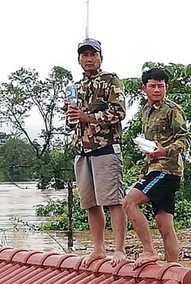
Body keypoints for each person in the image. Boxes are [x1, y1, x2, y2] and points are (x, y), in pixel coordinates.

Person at [65, 38, 127, 266]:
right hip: (82, 150)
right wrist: (70, 114)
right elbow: (71, 124)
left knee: (113, 201)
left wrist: (87, 116)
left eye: (93, 54)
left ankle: (119, 250)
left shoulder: (111, 81)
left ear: (101, 57)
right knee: (90, 203)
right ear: (79, 59)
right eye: (84, 55)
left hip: (106, 148)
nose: (88, 58)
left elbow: (119, 113)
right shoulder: (75, 87)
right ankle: (98, 248)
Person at [123, 67, 191, 269]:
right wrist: (145, 167)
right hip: (154, 169)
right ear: (144, 88)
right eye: (152, 86)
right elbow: (150, 145)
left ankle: (149, 251)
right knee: (165, 225)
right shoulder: (145, 112)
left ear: (166, 87)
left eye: (160, 86)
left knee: (129, 203)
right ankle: (174, 269)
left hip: (166, 170)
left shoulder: (172, 109)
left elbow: (185, 139)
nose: (157, 90)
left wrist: (165, 151)